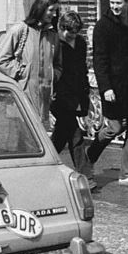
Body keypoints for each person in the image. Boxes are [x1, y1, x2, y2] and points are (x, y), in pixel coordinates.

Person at [83, 0, 128, 189]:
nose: (115, 7)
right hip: (115, 86)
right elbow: (99, 60)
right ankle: (88, 158)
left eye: (118, 3)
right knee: (114, 127)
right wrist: (106, 88)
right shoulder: (103, 26)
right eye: (112, 3)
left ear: (127, 2)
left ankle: (127, 173)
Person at [0, 0, 62, 129]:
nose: (54, 14)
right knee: (21, 139)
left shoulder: (53, 35)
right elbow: (1, 60)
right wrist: (21, 72)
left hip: (44, 99)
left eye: (56, 11)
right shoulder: (20, 30)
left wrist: (53, 75)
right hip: (22, 96)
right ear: (41, 8)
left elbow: (58, 64)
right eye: (51, 10)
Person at [50, 11, 90, 167]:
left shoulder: (80, 43)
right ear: (61, 28)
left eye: (75, 33)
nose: (72, 37)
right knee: (75, 134)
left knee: (61, 135)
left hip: (75, 92)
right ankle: (85, 173)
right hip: (60, 93)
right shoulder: (55, 44)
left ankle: (47, 162)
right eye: (69, 33)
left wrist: (84, 94)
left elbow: (82, 69)